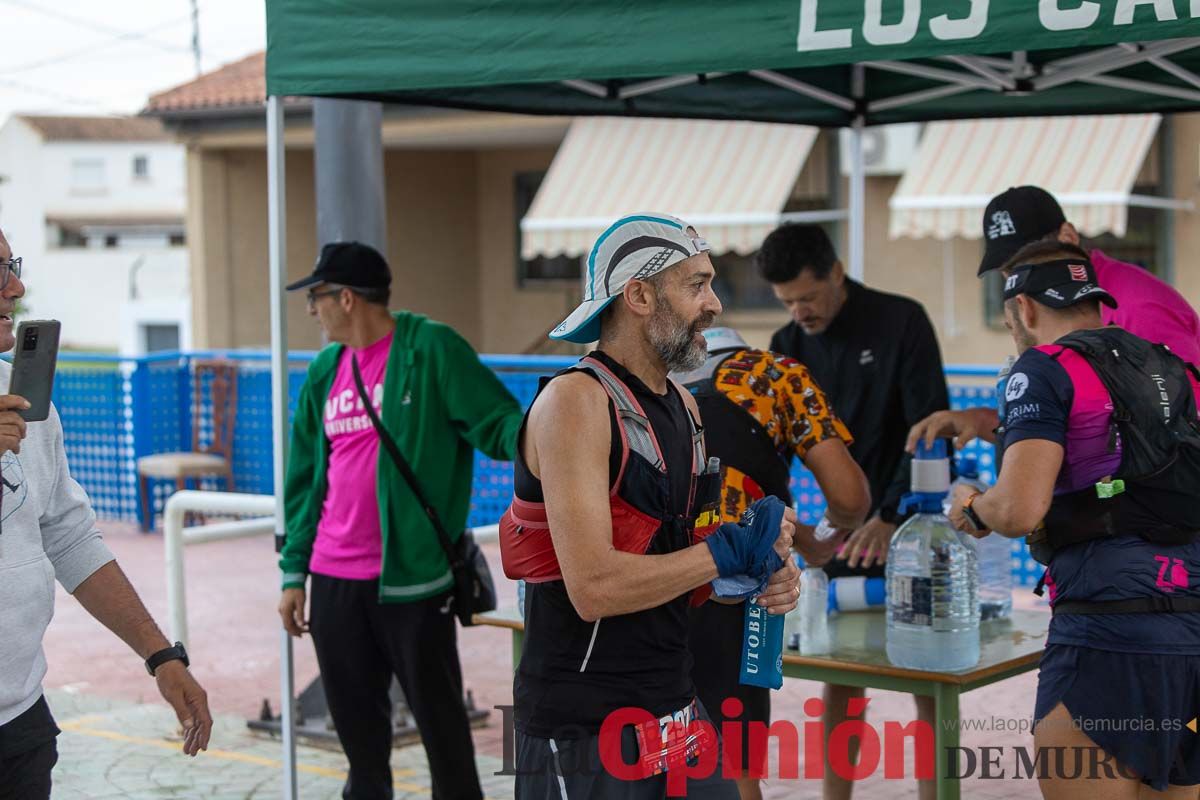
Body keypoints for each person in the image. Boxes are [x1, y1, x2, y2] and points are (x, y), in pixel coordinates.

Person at [499, 213, 810, 798]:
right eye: (696, 285)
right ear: (638, 295)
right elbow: (595, 587)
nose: (715, 305)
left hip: (675, 706)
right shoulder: (576, 402)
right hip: (585, 727)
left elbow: (679, 569)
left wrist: (756, 571)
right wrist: (724, 553)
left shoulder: (685, 410)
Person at [946, 239, 1200, 798]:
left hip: (1105, 637)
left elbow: (1018, 509)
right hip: (1190, 636)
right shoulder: (1172, 367)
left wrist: (971, 506)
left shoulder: (1042, 367)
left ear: (1024, 310)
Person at [277, 241, 523, 800]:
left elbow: (499, 423)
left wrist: (552, 447)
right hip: (334, 581)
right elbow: (302, 482)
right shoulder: (324, 372)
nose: (311, 310)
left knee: (444, 736)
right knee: (361, 746)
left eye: (315, 298)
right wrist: (294, 573)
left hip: (414, 582)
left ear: (345, 298)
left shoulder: (431, 348)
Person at [0, 227, 212, 800]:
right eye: (0, 273)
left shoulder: (22, 403)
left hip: (19, 722)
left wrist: (160, 654)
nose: (16, 287)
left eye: (11, 266)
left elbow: (69, 539)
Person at [757, 223, 949, 800]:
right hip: (842, 530)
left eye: (808, 297)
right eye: (787, 301)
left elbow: (932, 429)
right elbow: (775, 451)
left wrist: (895, 518)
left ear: (836, 272)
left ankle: (935, 794)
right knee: (842, 675)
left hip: (909, 522)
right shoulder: (787, 345)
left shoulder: (902, 321)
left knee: (928, 675)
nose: (800, 311)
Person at [673, 327, 871, 800]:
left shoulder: (648, 378)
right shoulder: (775, 374)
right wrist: (821, 540)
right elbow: (849, 498)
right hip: (728, 582)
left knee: (656, 753)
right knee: (734, 756)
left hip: (645, 577)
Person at [910, 184, 1200, 452]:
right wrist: (985, 420)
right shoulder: (1057, 309)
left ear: (1069, 238)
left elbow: (1185, 421)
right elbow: (1069, 415)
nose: (1018, 282)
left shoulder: (1136, 308)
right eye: (1009, 269)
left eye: (1029, 264)